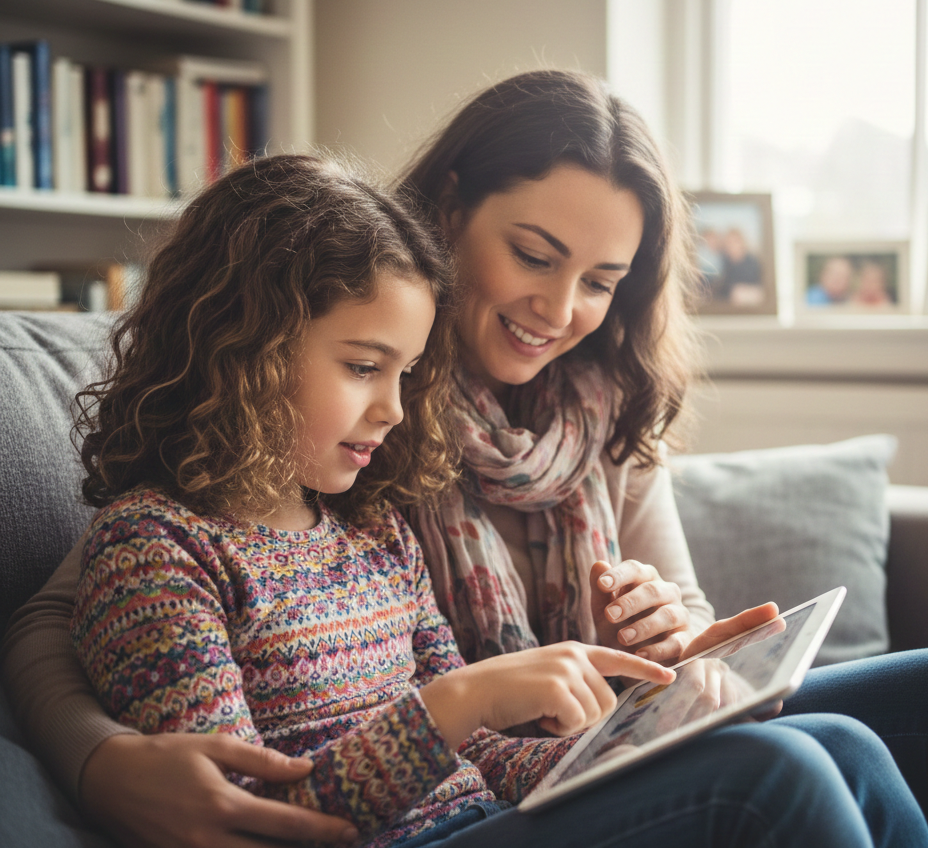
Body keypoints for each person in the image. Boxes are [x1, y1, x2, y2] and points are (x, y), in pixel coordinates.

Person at [3, 70, 928, 846]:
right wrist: (96, 759)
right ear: (450, 207)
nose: (562, 311)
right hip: (411, 809)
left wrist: (668, 681)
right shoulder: (281, 464)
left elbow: (485, 747)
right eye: (535, 255)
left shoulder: (509, 444)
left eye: (602, 282)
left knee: (843, 739)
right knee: (781, 768)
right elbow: (78, 604)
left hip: (499, 782)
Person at [62, 151, 681, 847]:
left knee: (823, 727)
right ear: (243, 347)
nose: (394, 409)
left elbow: (479, 757)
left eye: (407, 373)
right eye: (363, 368)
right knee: (779, 766)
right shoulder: (159, 548)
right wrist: (459, 701)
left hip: (489, 819)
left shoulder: (374, 532)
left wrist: (619, 749)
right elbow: (250, 815)